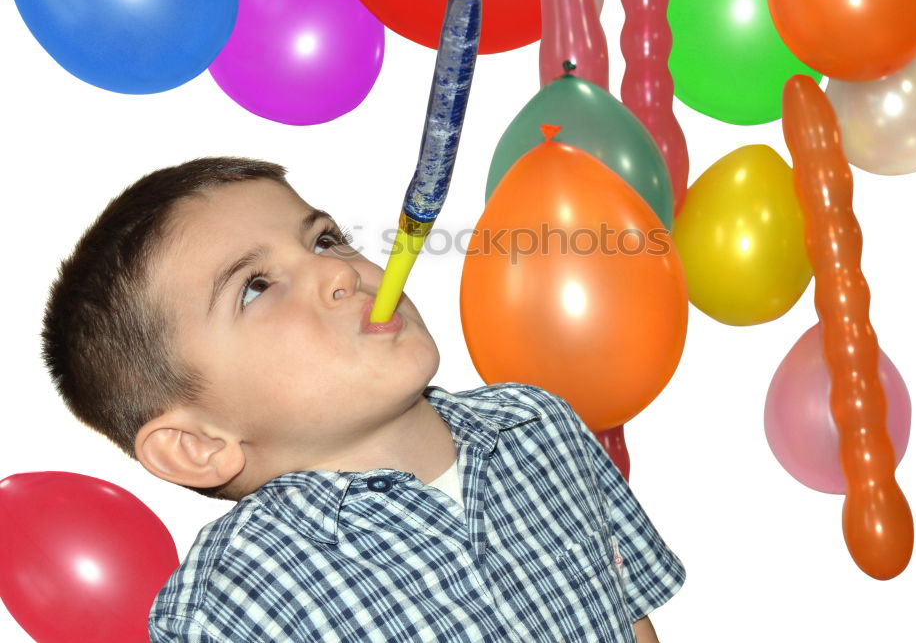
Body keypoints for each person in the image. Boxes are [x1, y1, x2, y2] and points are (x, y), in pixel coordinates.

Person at [41, 156, 685, 642]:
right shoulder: (239, 596)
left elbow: (631, 621)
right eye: (256, 287)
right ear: (198, 445)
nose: (339, 271)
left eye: (323, 238)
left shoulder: (539, 426)